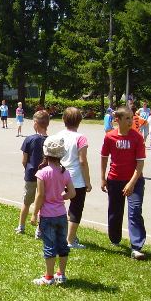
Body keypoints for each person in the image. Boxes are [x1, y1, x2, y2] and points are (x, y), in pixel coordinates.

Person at [100, 107, 147, 260]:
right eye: (127, 118)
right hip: (114, 180)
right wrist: (102, 177)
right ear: (117, 120)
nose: (130, 121)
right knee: (115, 211)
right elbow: (104, 157)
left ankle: (136, 246)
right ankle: (115, 238)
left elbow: (140, 164)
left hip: (135, 181)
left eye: (131, 118)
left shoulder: (137, 137)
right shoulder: (110, 137)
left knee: (135, 210)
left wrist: (132, 183)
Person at [30, 135, 76, 285]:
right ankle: (61, 274)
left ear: (45, 153)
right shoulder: (65, 172)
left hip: (47, 215)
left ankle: (48, 277)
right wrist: (61, 197)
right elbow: (72, 193)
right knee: (62, 244)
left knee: (49, 244)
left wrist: (34, 214)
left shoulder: (42, 173)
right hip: (61, 214)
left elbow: (41, 195)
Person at [55, 107, 92, 249]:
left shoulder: (58, 136)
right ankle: (70, 240)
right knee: (76, 208)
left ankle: (45, 230)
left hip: (59, 175)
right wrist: (87, 182)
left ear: (64, 119)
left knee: (54, 203)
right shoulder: (81, 138)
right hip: (76, 178)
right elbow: (83, 161)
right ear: (79, 121)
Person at [15, 110, 49, 235]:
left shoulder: (29, 139)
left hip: (30, 175)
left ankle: (21, 226)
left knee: (26, 201)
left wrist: (28, 168)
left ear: (35, 123)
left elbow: (24, 160)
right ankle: (39, 230)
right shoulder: (51, 140)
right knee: (43, 203)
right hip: (45, 176)